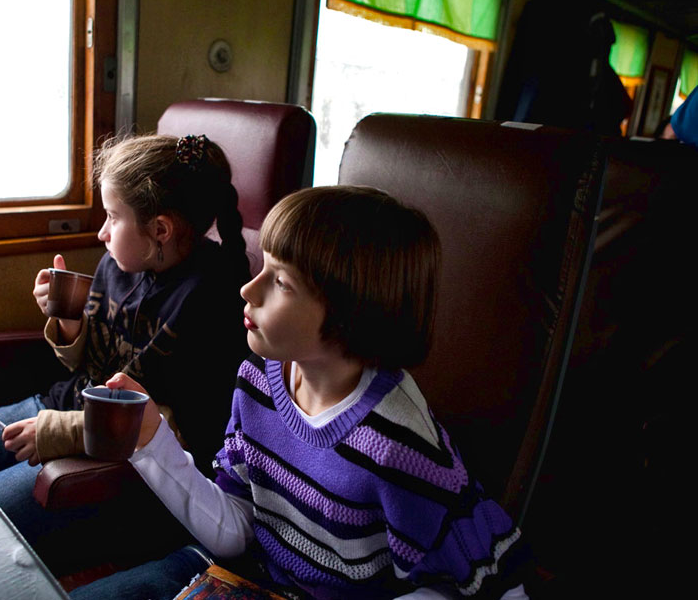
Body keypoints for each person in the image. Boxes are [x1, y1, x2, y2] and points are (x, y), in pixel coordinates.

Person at [71, 186, 533, 599]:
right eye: (263, 269)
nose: (248, 289)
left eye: (281, 282)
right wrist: (152, 441)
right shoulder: (258, 380)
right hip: (244, 576)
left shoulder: (399, 441)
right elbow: (237, 529)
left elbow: (491, 581)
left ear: (352, 312)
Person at [0, 134, 251, 561]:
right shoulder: (119, 264)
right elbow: (92, 363)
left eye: (113, 217)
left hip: (116, 451)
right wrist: (67, 319)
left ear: (160, 230)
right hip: (60, 405)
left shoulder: (212, 298)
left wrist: (57, 432)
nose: (101, 232)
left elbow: (174, 427)